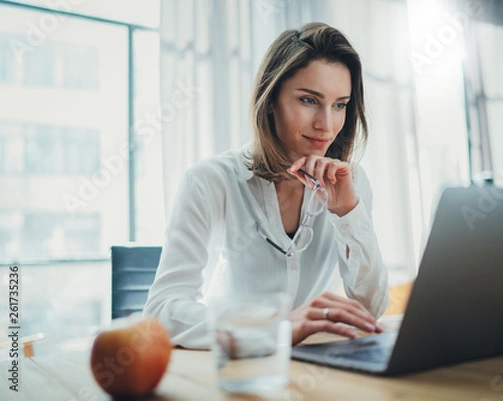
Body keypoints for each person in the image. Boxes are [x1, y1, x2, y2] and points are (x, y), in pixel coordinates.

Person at [144, 22, 393, 348]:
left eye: (340, 105)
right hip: (235, 367)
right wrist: (272, 328)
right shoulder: (211, 180)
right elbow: (162, 310)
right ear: (271, 98)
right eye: (308, 100)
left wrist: (347, 212)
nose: (326, 124)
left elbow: (370, 308)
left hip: (316, 367)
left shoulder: (350, 183)